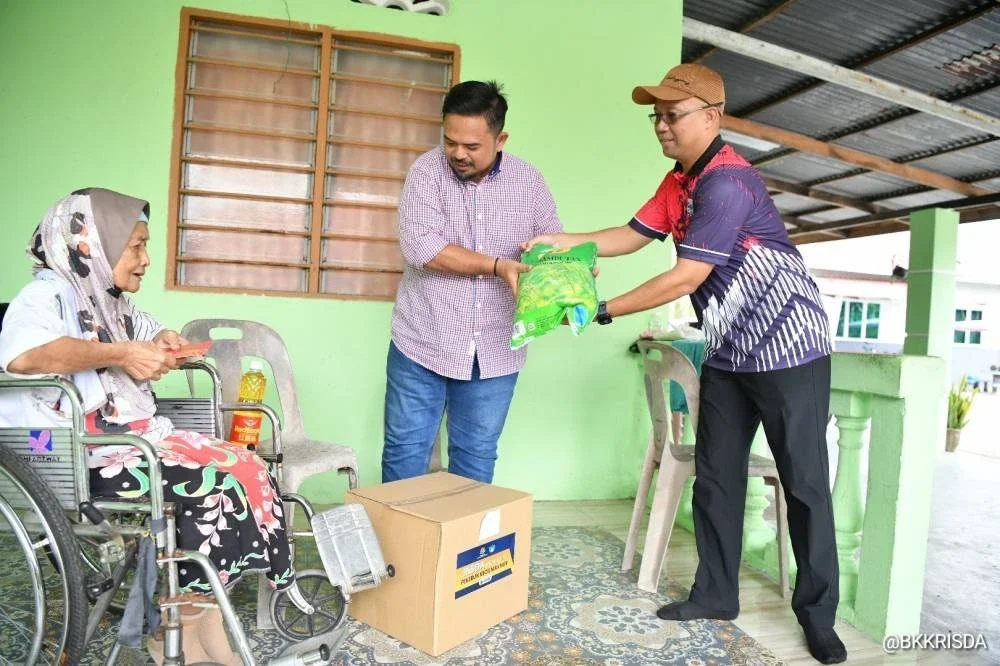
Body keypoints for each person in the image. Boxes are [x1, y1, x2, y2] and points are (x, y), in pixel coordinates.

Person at [527, 64, 846, 664]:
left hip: (788, 350)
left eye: (672, 114)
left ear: (712, 116)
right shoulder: (680, 182)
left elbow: (687, 275)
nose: (661, 125)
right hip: (728, 350)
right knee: (717, 475)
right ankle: (716, 593)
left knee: (804, 485)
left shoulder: (729, 183)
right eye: (657, 115)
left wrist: (601, 308)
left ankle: (818, 615)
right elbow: (630, 234)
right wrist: (559, 242)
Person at [0, 188, 301, 664]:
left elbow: (147, 338)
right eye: (135, 246)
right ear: (91, 246)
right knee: (212, 486)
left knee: (249, 466)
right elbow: (21, 355)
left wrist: (163, 344)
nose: (145, 259)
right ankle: (175, 629)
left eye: (145, 246)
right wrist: (120, 354)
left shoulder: (112, 301)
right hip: (86, 454)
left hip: (137, 438)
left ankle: (200, 618)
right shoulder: (47, 294)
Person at [383, 80, 563, 484]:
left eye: (472, 146)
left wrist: (567, 271)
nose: (458, 154)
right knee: (406, 451)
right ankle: (398, 548)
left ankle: (463, 548)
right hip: (422, 340)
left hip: (496, 348)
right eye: (450, 142)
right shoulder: (426, 173)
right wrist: (498, 265)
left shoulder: (529, 183)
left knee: (476, 458)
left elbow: (551, 243)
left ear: (500, 138)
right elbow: (422, 248)